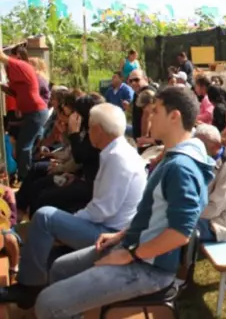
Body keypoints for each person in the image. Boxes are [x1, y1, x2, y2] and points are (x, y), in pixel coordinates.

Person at [32, 86, 214, 318]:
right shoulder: (175, 158)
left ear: (174, 116)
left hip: (149, 268)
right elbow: (156, 215)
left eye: (155, 111)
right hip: (133, 247)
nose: (149, 117)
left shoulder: (181, 168)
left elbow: (179, 233)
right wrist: (120, 236)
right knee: (60, 268)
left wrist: (130, 254)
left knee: (47, 303)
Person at [0, 104, 147, 307]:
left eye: (91, 126)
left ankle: (28, 288)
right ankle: (34, 280)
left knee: (45, 216)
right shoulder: (117, 152)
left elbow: (102, 211)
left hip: (110, 235)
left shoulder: (117, 159)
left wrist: (70, 221)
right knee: (51, 215)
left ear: (99, 130)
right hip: (109, 227)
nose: (88, 131)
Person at [0, 48, 49, 184]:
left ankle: (26, 178)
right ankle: (29, 175)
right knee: (27, 146)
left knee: (24, 146)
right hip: (31, 113)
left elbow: (2, 56)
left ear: (17, 56)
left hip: (36, 112)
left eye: (12, 55)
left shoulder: (22, 66)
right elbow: (16, 92)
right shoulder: (16, 72)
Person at [126, 69, 157, 141]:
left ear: (145, 79)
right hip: (138, 134)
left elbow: (147, 116)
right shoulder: (137, 92)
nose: (133, 83)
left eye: (136, 80)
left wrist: (144, 138)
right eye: (130, 81)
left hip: (148, 139)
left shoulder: (147, 93)